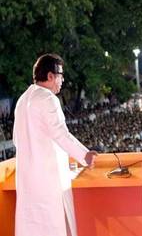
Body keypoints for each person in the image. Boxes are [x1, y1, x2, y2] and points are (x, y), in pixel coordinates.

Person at [13, 54, 98, 236]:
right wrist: (85, 155)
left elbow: (16, 140)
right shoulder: (47, 99)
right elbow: (60, 134)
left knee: (31, 227)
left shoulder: (21, 100)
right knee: (53, 227)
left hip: (27, 181)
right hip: (48, 181)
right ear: (50, 76)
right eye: (61, 75)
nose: (63, 80)